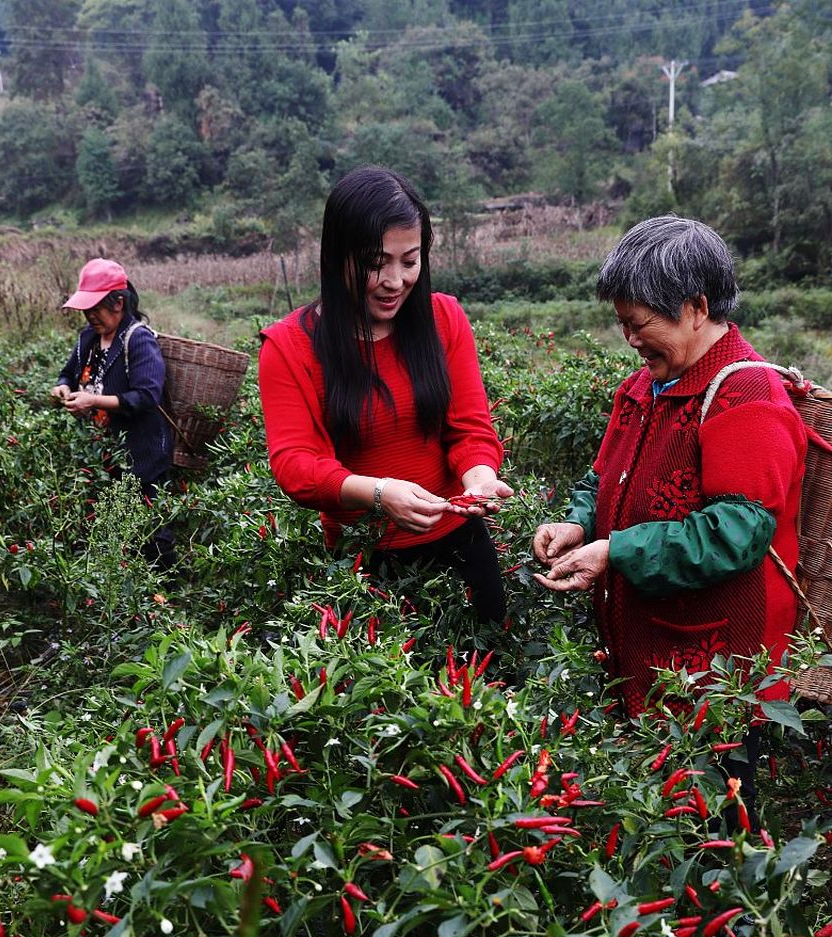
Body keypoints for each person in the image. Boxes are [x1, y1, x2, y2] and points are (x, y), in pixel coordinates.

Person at [533, 215, 806, 821]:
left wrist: (617, 552)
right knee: (658, 807)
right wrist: (580, 522)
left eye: (640, 324)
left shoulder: (749, 397)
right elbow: (603, 478)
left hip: (713, 664)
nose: (630, 339)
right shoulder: (641, 387)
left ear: (696, 308)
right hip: (645, 644)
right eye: (623, 324)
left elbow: (735, 533)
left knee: (715, 814)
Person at [258, 166, 513, 624]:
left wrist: (478, 478)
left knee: (490, 678)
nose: (395, 280)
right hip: (365, 562)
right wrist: (378, 494)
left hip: (462, 547)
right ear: (338, 257)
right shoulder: (289, 346)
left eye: (410, 261)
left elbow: (470, 427)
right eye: (377, 263)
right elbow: (295, 465)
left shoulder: (444, 318)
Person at [52, 257, 174, 568]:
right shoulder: (88, 339)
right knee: (105, 522)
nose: (89, 315)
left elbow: (147, 395)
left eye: (95, 308)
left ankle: (165, 595)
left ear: (118, 303)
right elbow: (67, 373)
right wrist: (63, 388)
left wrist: (93, 401)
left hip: (142, 449)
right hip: (104, 450)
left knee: (150, 525)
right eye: (86, 309)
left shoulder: (138, 338)